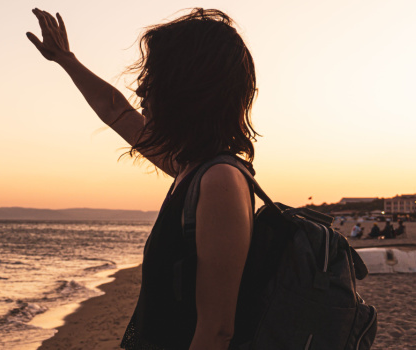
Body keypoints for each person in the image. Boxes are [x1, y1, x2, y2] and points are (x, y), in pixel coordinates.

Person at [28, 8, 258, 350]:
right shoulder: (190, 168)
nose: (140, 89)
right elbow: (116, 111)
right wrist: (66, 59)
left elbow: (216, 331)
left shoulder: (219, 181)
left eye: (153, 77)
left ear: (186, 88)